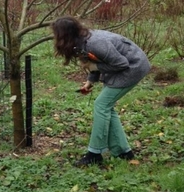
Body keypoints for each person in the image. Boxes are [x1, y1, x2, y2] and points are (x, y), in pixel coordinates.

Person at [51, 16, 151, 167]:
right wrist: (91, 80)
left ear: (64, 35)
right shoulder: (81, 41)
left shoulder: (96, 42)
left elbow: (121, 64)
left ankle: (95, 153)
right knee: (106, 106)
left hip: (133, 67)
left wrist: (95, 68)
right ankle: (123, 152)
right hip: (125, 67)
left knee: (101, 105)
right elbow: (96, 61)